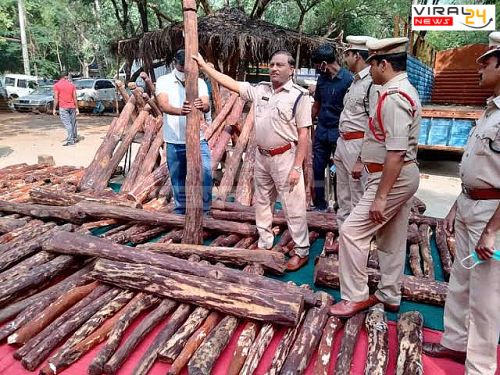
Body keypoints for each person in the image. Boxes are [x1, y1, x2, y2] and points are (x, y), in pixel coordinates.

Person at [422, 32, 500, 375]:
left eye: (488, 61)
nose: (480, 67)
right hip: (471, 206)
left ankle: (479, 367)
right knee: (461, 279)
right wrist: (456, 204)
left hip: (493, 216)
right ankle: (454, 344)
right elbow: (475, 167)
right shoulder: (490, 111)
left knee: (486, 294)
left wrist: (493, 232)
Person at [193, 50, 312, 271]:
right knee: (263, 202)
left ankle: (301, 250)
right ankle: (265, 242)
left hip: (286, 157)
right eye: (272, 64)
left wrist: (297, 167)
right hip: (262, 156)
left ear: (291, 69)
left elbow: (304, 134)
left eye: (280, 65)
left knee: (293, 207)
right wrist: (205, 67)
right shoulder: (260, 90)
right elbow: (230, 83)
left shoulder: (299, 96)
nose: (274, 69)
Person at [329, 37, 422, 317]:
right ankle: (389, 293)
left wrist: (380, 196)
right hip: (397, 175)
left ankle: (355, 296)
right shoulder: (396, 91)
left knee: (351, 233)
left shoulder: (394, 98)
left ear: (384, 64)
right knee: (391, 237)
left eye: (373, 64)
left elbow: (395, 152)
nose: (370, 70)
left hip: (392, 176)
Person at [156, 49, 212, 214]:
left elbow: (207, 104)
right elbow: (163, 105)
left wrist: (204, 105)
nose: (185, 70)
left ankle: (205, 210)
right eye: (182, 66)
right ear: (176, 63)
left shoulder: (200, 82)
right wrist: (180, 110)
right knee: (178, 177)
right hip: (174, 140)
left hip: (198, 139)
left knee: (206, 173)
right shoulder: (164, 81)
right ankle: (181, 209)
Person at [334, 35, 379, 230]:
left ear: (357, 56)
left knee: (358, 197)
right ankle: (343, 235)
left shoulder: (372, 83)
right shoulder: (355, 82)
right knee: (343, 195)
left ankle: (358, 240)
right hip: (343, 143)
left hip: (358, 146)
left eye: (348, 54)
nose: (345, 58)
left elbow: (374, 124)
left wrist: (362, 159)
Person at [311, 44, 353, 211]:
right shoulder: (321, 80)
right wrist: (306, 123)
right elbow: (317, 105)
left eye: (316, 65)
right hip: (322, 132)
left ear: (323, 63)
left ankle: (338, 205)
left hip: (339, 134)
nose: (315, 69)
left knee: (339, 172)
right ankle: (320, 204)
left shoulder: (348, 80)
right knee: (318, 169)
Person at [53, 72, 79, 146]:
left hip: (63, 107)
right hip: (72, 107)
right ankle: (74, 137)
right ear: (66, 76)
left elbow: (56, 98)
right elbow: (75, 97)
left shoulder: (56, 85)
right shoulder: (72, 85)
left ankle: (71, 140)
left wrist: (54, 109)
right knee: (73, 123)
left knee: (68, 124)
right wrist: (77, 108)